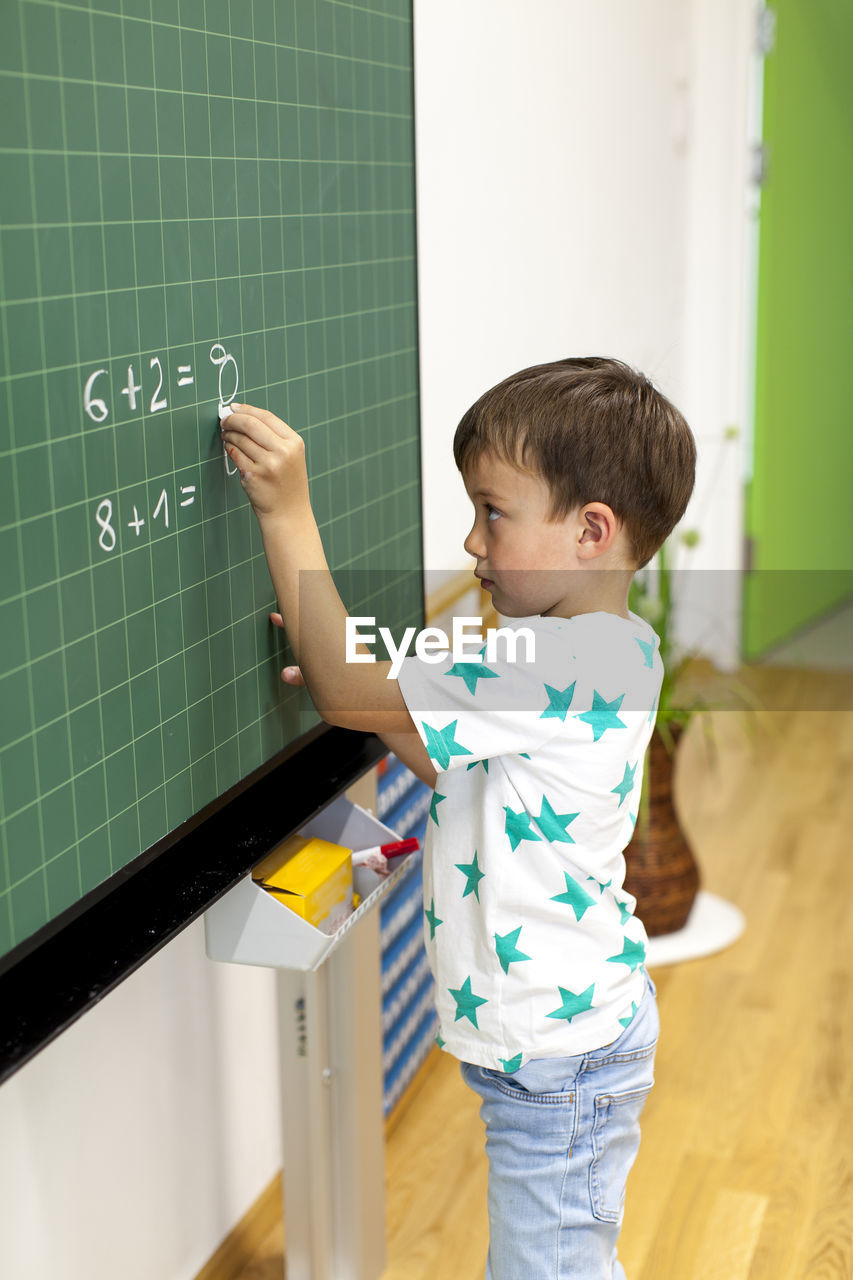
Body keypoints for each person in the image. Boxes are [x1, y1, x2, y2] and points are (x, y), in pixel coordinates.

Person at [220, 356, 697, 1280]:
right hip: (559, 1044)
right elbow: (455, 767)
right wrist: (370, 691)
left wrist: (285, 512)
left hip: (560, 1059)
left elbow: (339, 689)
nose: (472, 542)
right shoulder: (604, 649)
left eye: (493, 512)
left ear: (590, 530)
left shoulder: (550, 660)